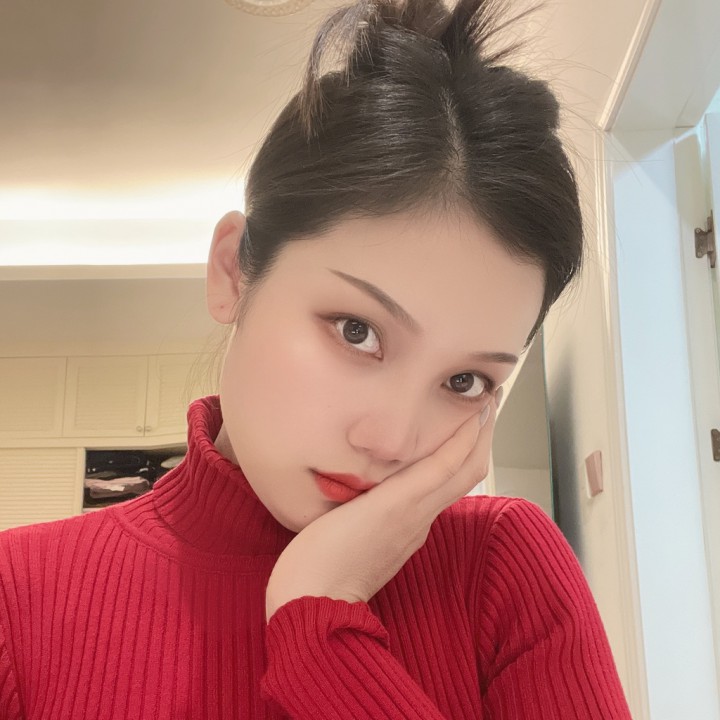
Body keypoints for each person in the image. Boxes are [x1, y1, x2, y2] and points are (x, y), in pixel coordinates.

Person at [0, 0, 633, 717]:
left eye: (465, 380)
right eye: (357, 331)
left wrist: (320, 622)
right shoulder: (20, 597)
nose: (391, 440)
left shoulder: (503, 570)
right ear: (234, 271)